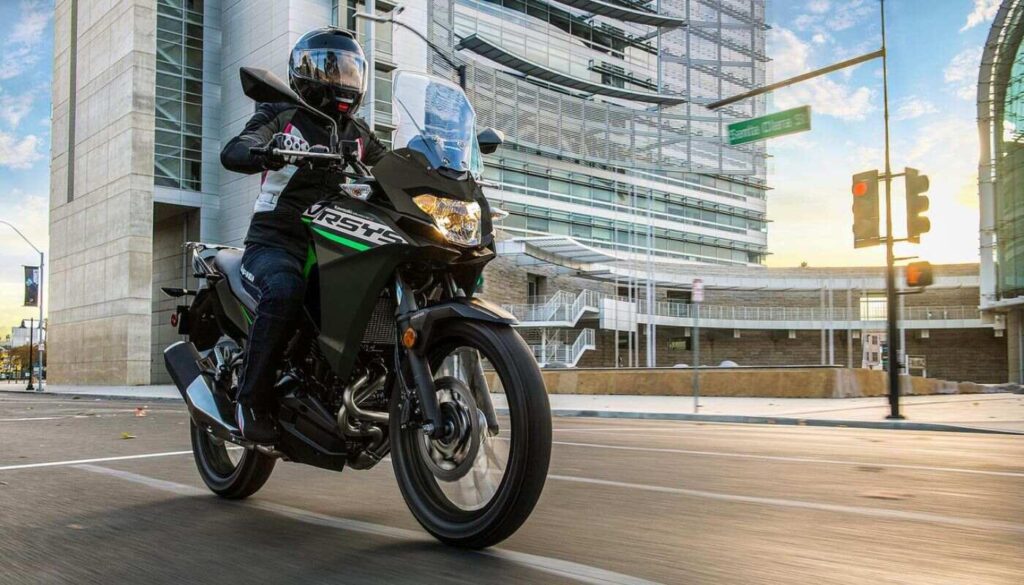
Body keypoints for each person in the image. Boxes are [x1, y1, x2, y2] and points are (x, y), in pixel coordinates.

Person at [220, 28, 387, 443]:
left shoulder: (357, 133)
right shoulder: (282, 112)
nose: (343, 80)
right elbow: (236, 148)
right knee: (284, 290)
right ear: (305, 72)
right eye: (332, 69)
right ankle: (250, 401)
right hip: (277, 241)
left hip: (333, 244)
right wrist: (267, 149)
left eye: (350, 70)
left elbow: (394, 168)